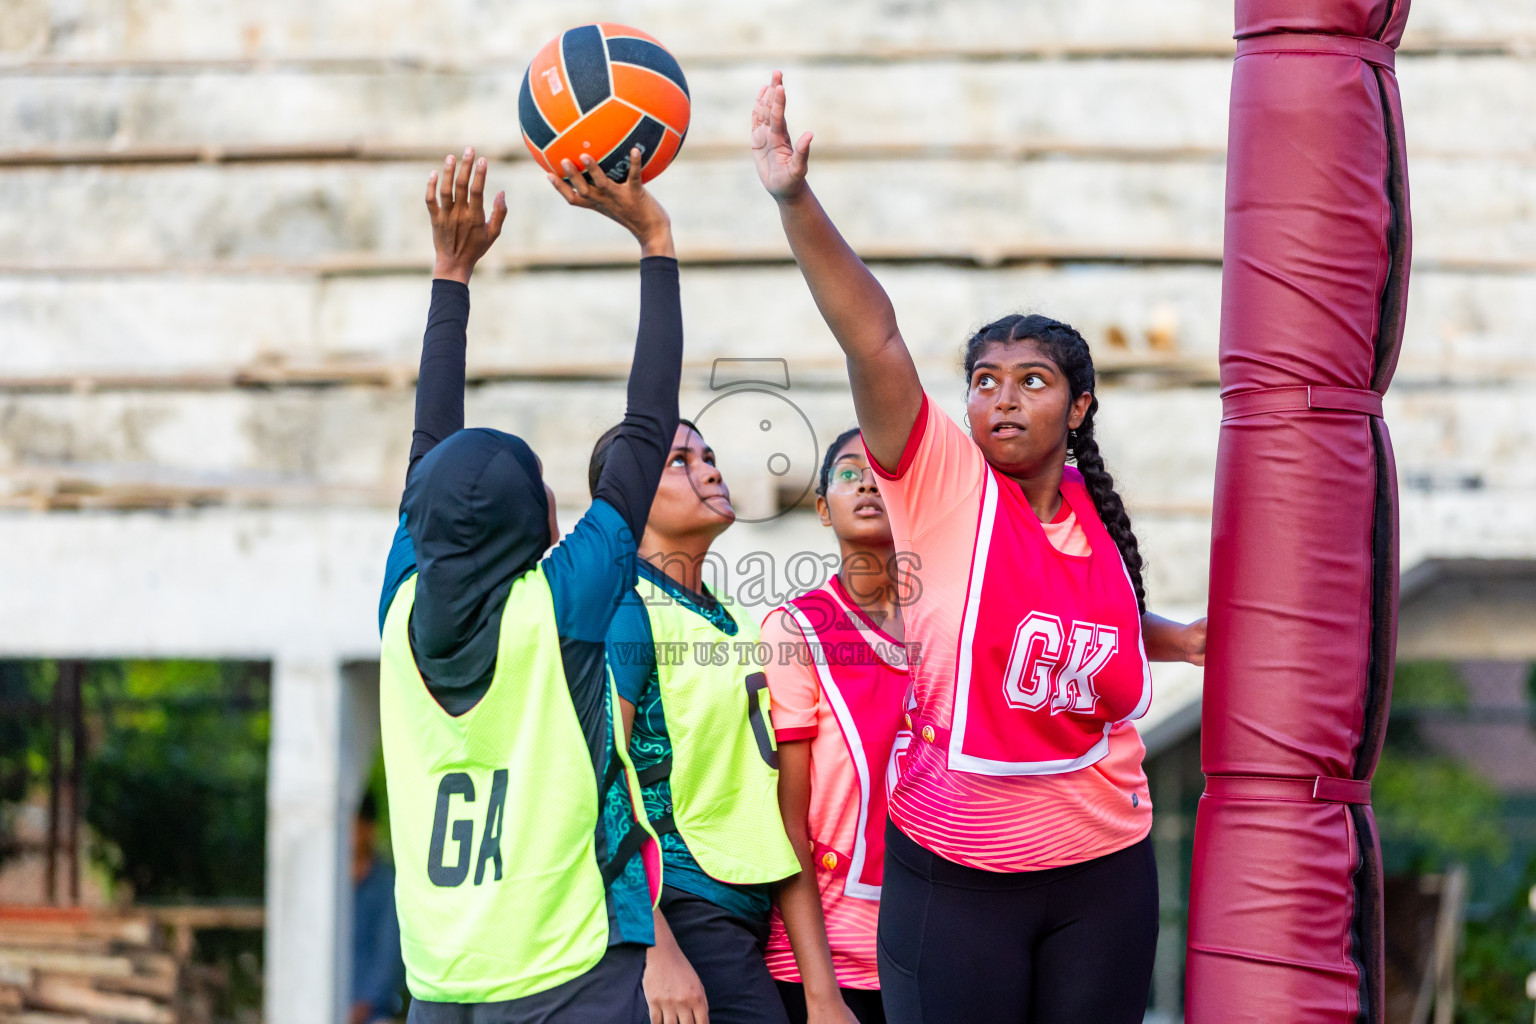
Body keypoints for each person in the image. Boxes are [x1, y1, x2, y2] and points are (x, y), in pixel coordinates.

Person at [751, 74, 1207, 1024]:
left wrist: (1184, 638)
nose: (1001, 397)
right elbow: (872, 338)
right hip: (958, 875)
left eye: (1032, 381)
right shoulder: (944, 483)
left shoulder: (1093, 515)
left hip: (1101, 869)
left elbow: (1062, 630)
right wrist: (795, 200)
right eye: (984, 380)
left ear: (1078, 408)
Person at [377, 146, 681, 1022]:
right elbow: (647, 426)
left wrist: (450, 271)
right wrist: (654, 240)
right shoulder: (561, 605)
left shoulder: (400, 604)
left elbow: (429, 448)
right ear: (535, 526)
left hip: (440, 983)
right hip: (564, 973)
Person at [587, 419, 801, 1024]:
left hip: (748, 902)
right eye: (681, 461)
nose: (710, 468)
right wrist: (651, 944)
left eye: (708, 455)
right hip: (677, 903)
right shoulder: (624, 605)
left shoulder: (739, 619)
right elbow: (595, 772)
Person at [759, 429, 907, 1024]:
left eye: (881, 471)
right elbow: (788, 822)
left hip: (936, 943)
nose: (868, 482)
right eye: (849, 473)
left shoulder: (954, 622)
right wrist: (822, 995)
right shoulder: (797, 628)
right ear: (822, 508)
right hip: (828, 965)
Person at [351, 793, 406, 1024]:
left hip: (376, 1014)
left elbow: (389, 956)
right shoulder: (324, 886)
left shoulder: (388, 884)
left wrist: (359, 1008)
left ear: (369, 828)